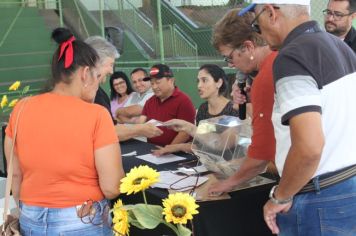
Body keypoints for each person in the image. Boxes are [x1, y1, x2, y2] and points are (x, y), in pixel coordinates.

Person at [240, 0, 356, 235]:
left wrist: (280, 196)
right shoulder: (339, 45)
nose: (259, 32)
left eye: (256, 24)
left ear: (271, 12)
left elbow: (309, 147)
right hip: (347, 185)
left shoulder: (292, 56)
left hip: (318, 197)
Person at [4, 28, 124, 235]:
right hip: (81, 219)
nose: (98, 84)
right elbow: (111, 187)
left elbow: (15, 174)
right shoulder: (96, 115)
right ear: (85, 74)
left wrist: (31, 209)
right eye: (98, 76)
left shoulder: (21, 109)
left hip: (31, 217)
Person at [153, 64, 238, 156]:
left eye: (204, 80)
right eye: (198, 81)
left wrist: (187, 127)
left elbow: (220, 145)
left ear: (219, 83)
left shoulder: (233, 110)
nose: (199, 86)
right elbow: (200, 145)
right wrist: (174, 147)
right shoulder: (203, 109)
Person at [136, 64, 196, 146]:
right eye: (152, 83)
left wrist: (167, 150)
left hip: (177, 153)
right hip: (152, 151)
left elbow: (185, 133)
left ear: (171, 81)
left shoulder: (184, 101)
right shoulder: (150, 101)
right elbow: (141, 123)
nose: (154, 87)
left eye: (157, 82)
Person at [85, 36, 119, 123]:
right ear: (96, 63)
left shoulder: (97, 91)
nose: (111, 71)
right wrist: (141, 129)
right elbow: (107, 130)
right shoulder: (89, 94)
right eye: (111, 65)